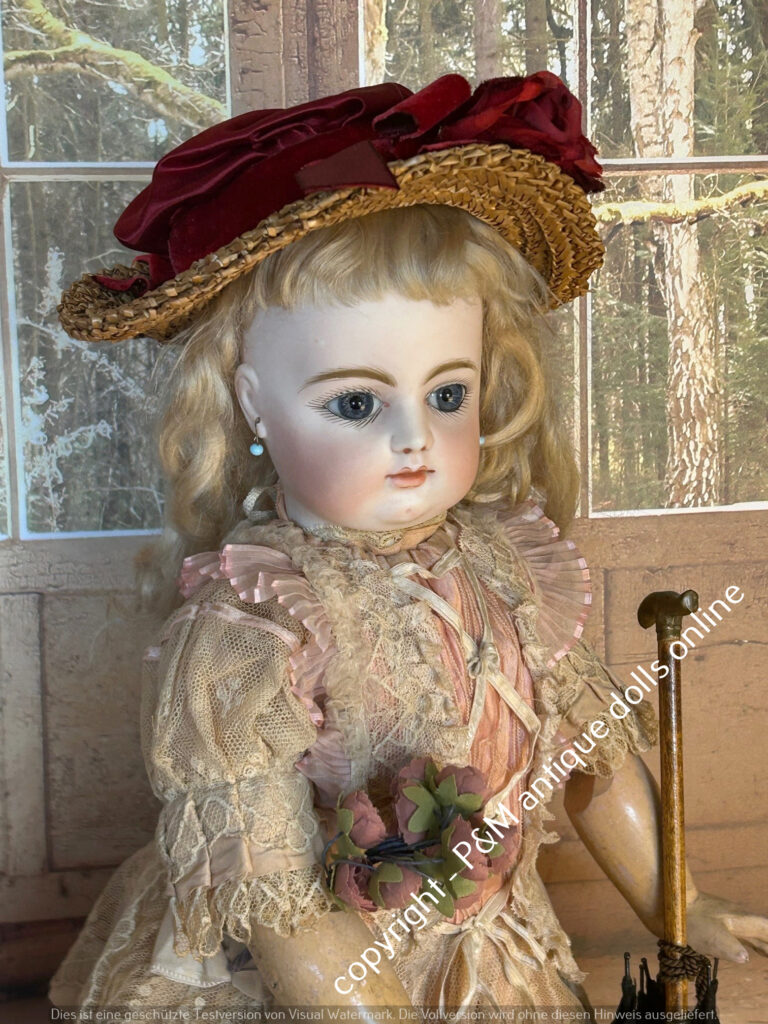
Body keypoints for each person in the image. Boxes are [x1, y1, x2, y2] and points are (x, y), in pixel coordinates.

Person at [48, 72, 767, 1017]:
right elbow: (278, 904)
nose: (415, 439)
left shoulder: (507, 571)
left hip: (489, 959)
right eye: (356, 403)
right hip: (327, 984)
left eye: (448, 394)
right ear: (253, 404)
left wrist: (680, 902)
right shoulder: (249, 631)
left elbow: (591, 763)